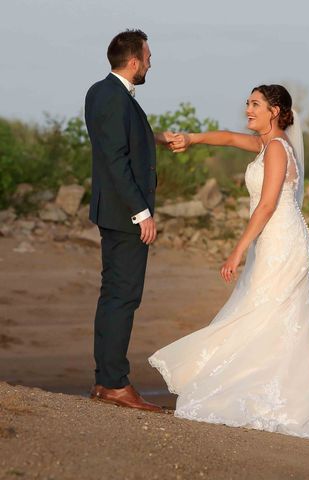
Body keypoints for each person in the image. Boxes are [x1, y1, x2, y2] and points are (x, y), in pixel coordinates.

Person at [149, 84, 309, 447]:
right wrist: (191, 138)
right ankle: (269, 392)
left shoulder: (275, 149)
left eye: (255, 104)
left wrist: (238, 250)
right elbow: (226, 138)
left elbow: (268, 204)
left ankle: (287, 402)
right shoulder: (267, 145)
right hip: (274, 240)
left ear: (275, 111)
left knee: (273, 315)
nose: (248, 110)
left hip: (282, 240)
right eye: (247, 104)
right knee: (266, 314)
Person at [84, 29, 173, 412]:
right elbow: (115, 160)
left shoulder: (104, 93)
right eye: (148, 57)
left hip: (117, 212)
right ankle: (114, 383)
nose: (151, 62)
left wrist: (155, 138)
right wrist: (142, 213)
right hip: (125, 215)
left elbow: (118, 141)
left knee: (115, 295)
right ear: (134, 61)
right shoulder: (112, 96)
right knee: (123, 296)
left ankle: (109, 380)